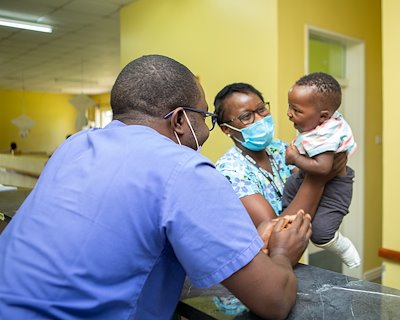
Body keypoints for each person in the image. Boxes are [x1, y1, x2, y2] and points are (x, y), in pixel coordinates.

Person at [0, 55, 311, 320]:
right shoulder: (184, 168)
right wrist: (283, 254)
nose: (205, 130)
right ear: (178, 120)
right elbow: (274, 301)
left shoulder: (75, 146)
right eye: (204, 117)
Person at [214, 82, 345, 227]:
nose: (260, 119)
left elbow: (307, 188)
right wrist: (319, 177)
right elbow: (276, 232)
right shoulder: (230, 172)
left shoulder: (279, 148)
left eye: (261, 109)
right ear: (227, 129)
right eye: (246, 116)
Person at [284, 72, 360, 268]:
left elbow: (324, 168)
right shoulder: (319, 124)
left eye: (296, 110)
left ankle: (343, 247)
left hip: (335, 187)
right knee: (291, 184)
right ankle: (285, 217)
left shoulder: (326, 136)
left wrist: (295, 158)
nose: (289, 113)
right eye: (289, 107)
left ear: (323, 116)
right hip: (309, 177)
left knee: (321, 233)